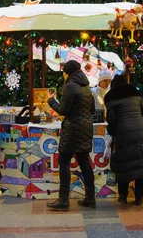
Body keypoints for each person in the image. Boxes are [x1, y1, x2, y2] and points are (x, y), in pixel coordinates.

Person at [105, 74, 143, 206]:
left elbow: (111, 120)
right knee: (142, 166)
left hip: (123, 133)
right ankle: (139, 198)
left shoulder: (112, 99)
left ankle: (123, 197)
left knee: (124, 165)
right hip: (141, 130)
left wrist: (113, 132)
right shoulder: (135, 95)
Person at [47, 60, 95, 211]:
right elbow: (92, 110)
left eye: (63, 72)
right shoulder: (86, 86)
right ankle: (90, 198)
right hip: (86, 128)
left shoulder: (69, 86)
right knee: (84, 162)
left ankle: (63, 200)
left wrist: (51, 102)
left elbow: (63, 110)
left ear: (67, 72)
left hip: (72, 129)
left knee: (64, 162)